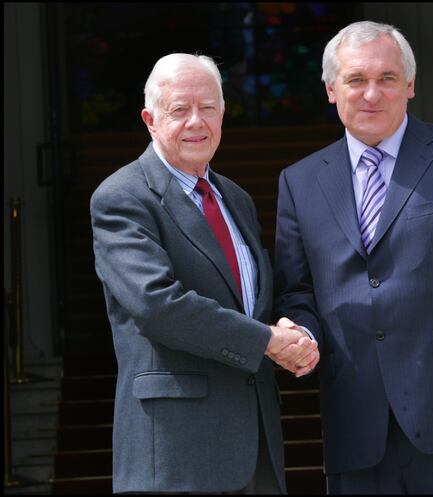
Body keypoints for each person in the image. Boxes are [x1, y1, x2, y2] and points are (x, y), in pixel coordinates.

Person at [273, 20, 433, 494]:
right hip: (355, 424)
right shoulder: (299, 182)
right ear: (332, 89)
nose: (371, 93)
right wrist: (301, 332)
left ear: (410, 85)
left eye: (387, 78)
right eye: (356, 80)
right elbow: (298, 290)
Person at [90, 53, 318, 494]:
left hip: (256, 450)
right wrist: (267, 341)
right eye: (180, 109)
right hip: (177, 456)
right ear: (150, 120)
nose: (197, 121)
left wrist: (294, 332)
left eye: (208, 107)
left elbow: (251, 305)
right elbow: (157, 305)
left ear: (223, 115)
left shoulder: (236, 198)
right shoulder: (121, 198)